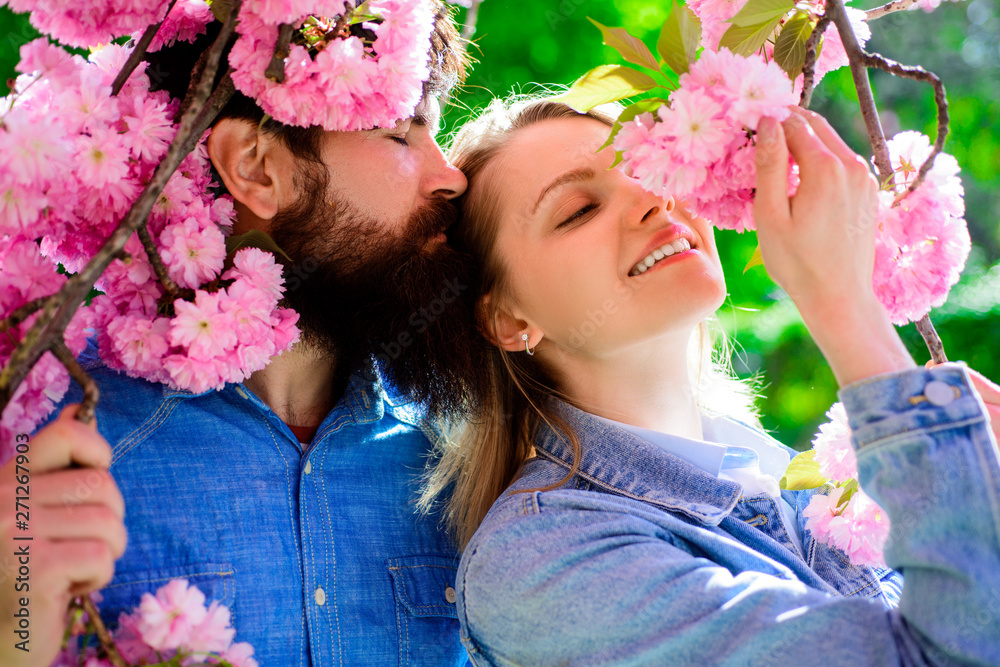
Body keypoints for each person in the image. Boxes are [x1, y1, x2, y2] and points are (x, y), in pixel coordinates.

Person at [422, 97, 1000, 665]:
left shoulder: (807, 488)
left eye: (651, 170)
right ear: (506, 318)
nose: (655, 198)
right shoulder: (540, 562)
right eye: (578, 210)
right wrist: (842, 304)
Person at [0, 3, 482, 665]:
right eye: (401, 133)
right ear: (256, 167)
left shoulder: (463, 448)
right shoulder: (40, 438)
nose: (450, 175)